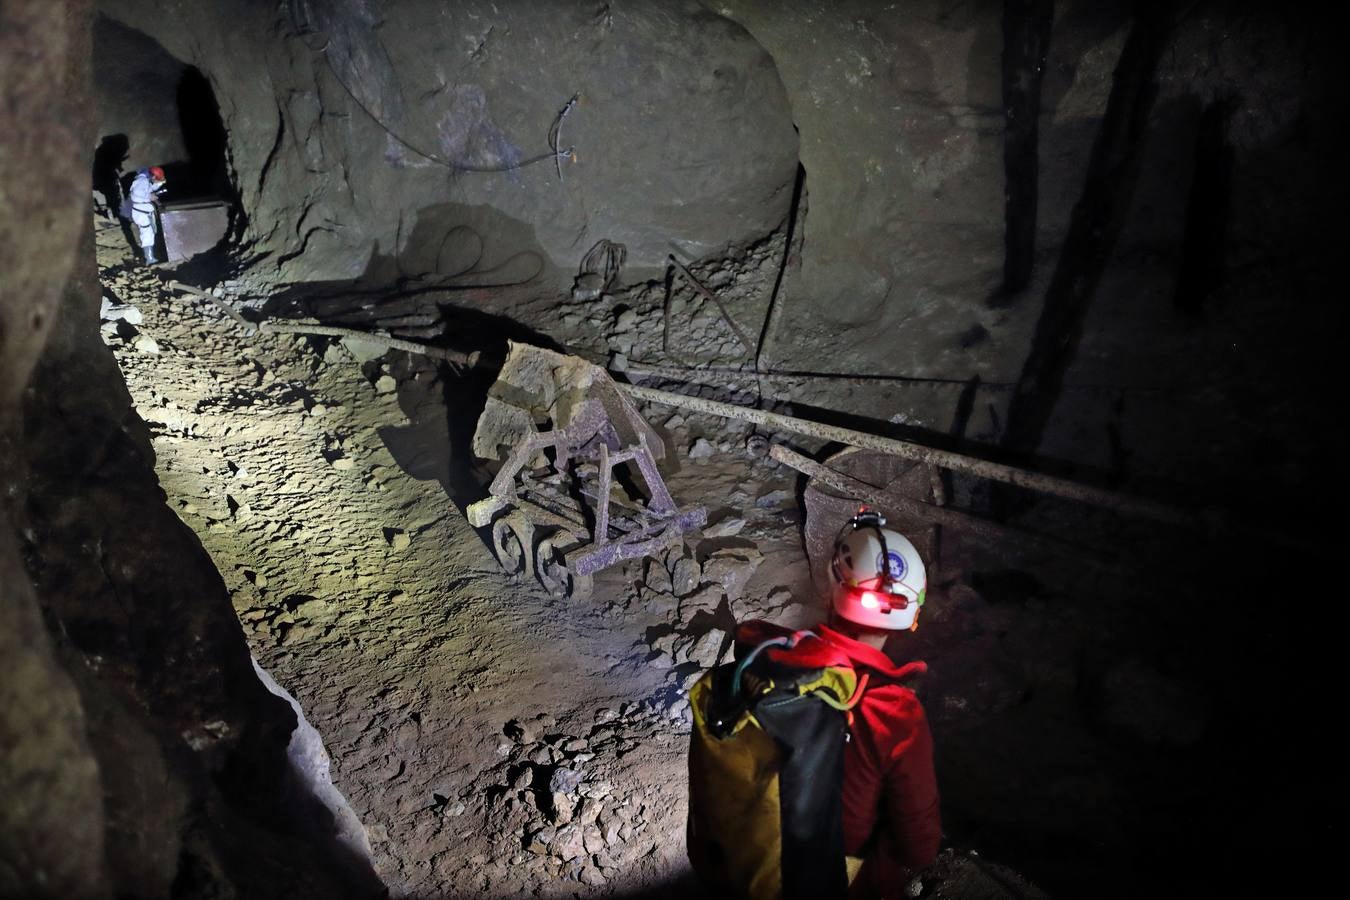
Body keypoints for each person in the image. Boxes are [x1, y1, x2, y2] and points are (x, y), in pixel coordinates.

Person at [688, 509, 940, 899]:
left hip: (739, 869)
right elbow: (919, 848)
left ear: (830, 581)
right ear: (913, 616)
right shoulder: (893, 710)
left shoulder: (769, 661)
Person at [127, 166, 167, 264]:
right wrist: (149, 197)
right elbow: (136, 194)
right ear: (152, 175)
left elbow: (149, 188)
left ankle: (150, 256)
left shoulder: (144, 180)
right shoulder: (142, 181)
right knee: (147, 234)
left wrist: (160, 183)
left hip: (143, 212)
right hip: (141, 213)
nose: (154, 180)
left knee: (149, 233)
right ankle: (149, 259)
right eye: (155, 178)